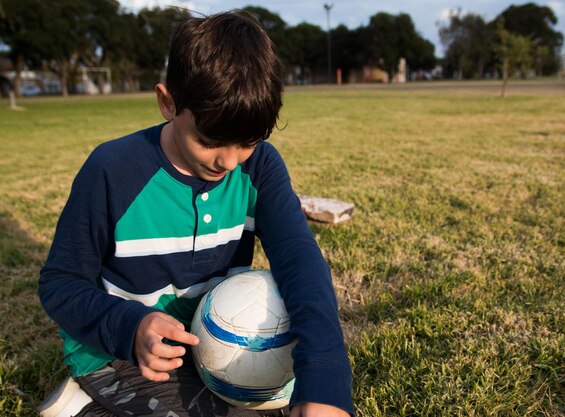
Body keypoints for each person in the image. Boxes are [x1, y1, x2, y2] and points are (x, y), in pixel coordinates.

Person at [38, 10, 354, 417]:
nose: (228, 161)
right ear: (167, 103)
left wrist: (325, 377)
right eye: (209, 141)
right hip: (119, 351)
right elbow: (60, 283)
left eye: (249, 142)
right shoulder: (112, 171)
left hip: (210, 339)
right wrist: (130, 328)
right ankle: (83, 403)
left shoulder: (260, 167)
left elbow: (300, 261)